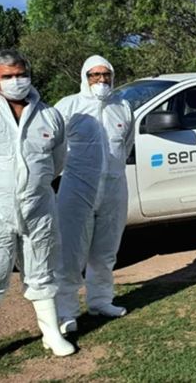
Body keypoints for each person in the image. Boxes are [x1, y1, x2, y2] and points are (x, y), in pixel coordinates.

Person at [0, 50, 74, 372]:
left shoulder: (49, 116)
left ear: (30, 75)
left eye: (21, 74)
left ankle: (52, 335)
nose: (16, 81)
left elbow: (57, 161)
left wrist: (34, 185)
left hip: (39, 207)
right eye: (8, 76)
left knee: (42, 270)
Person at [55, 55, 134, 333]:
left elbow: (126, 145)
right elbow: (55, 146)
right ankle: (65, 312)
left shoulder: (122, 106)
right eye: (94, 75)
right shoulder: (69, 107)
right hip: (77, 187)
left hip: (113, 186)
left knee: (105, 250)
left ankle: (101, 301)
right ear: (84, 77)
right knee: (71, 252)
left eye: (106, 75)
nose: (101, 81)